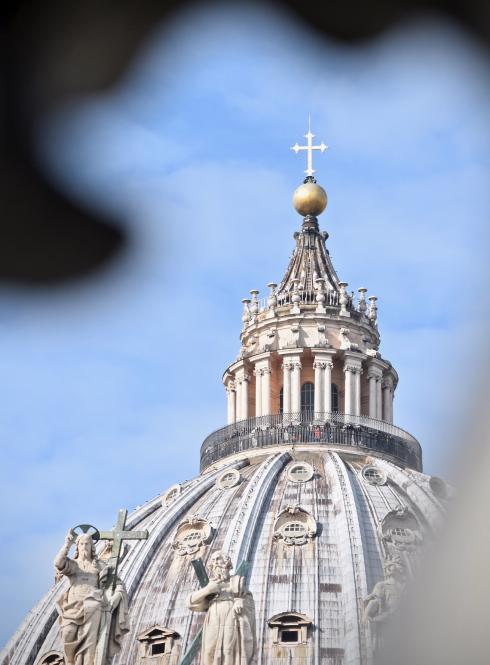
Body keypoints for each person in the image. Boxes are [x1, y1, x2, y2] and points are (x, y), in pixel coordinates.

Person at [54, 529, 129, 665]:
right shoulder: (73, 564)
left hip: (93, 606)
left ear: (92, 547)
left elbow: (117, 583)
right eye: (81, 544)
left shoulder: (99, 565)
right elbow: (58, 563)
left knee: (90, 644)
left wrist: (117, 596)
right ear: (77, 546)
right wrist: (67, 544)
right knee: (67, 632)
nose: (84, 547)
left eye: (87, 544)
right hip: (72, 606)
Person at [188, 551, 257, 665]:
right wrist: (208, 590)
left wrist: (240, 601)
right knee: (210, 649)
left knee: (228, 648)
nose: (216, 563)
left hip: (232, 616)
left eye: (218, 559)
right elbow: (190, 602)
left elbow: (248, 599)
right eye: (213, 560)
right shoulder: (210, 584)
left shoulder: (236, 582)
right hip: (214, 616)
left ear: (226, 562)